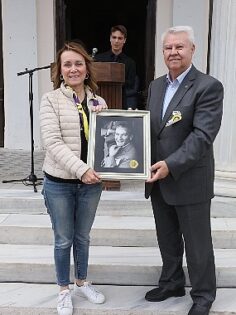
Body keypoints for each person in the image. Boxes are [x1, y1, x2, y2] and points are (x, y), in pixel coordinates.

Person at [144, 26, 224, 315]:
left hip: (189, 179)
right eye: (168, 47)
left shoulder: (208, 86)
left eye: (180, 47)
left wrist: (171, 165)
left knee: (197, 243)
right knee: (166, 237)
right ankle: (172, 282)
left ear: (192, 50)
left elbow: (202, 136)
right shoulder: (155, 86)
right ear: (163, 52)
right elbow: (150, 130)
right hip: (157, 178)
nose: (173, 52)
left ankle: (203, 296)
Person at [40, 41, 108, 315]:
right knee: (63, 239)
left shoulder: (98, 101)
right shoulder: (50, 100)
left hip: (91, 185)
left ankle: (81, 281)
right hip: (59, 183)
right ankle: (64, 290)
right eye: (67, 64)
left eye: (78, 63)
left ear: (87, 69)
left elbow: (107, 140)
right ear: (60, 70)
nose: (73, 69)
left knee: (83, 237)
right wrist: (81, 169)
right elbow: (52, 143)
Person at [95, 25, 138, 109]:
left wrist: (116, 82)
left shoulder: (130, 62)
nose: (116, 41)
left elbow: (131, 84)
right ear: (110, 39)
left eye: (120, 38)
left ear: (124, 40)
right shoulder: (98, 59)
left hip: (121, 102)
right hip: (100, 101)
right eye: (114, 37)